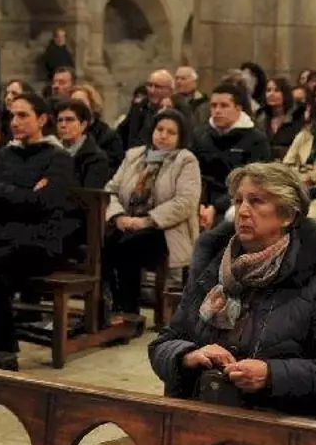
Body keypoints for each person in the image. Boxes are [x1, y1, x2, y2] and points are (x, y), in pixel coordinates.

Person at [147, 162, 316, 445]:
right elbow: (164, 342)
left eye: (257, 201)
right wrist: (189, 355)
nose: (242, 210)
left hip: (285, 419)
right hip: (214, 407)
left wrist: (271, 374)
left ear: (288, 215)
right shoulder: (213, 271)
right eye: (238, 200)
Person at [0, 93, 75, 360]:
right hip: (2, 238)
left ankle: (0, 349)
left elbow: (44, 203)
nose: (14, 122)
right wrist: (22, 193)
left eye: (23, 115)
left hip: (40, 242)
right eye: (12, 116)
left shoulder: (58, 158)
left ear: (41, 119)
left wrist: (1, 190)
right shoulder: (3, 155)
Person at [103, 109, 201, 318]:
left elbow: (185, 202)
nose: (163, 135)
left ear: (181, 137)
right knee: (104, 243)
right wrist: (118, 216)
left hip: (165, 230)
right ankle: (110, 306)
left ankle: (128, 310)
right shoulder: (134, 155)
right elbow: (110, 190)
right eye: (160, 129)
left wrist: (147, 221)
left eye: (171, 132)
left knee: (128, 246)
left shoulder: (186, 160)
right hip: (128, 223)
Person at [192, 82, 271, 230]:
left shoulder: (256, 139)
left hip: (237, 201)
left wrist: (216, 208)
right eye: (213, 106)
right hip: (200, 200)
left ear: (238, 108)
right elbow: (194, 175)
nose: (217, 111)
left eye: (224, 106)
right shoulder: (200, 135)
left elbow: (253, 181)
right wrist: (201, 205)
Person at [54, 98, 111, 189]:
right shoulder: (50, 151)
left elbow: (89, 194)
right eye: (60, 120)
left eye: (69, 120)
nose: (63, 125)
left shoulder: (96, 158)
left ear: (83, 125)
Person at [254, 76, 302, 147]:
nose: (271, 94)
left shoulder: (296, 118)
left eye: (276, 90)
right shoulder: (260, 118)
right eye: (268, 90)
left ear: (285, 94)